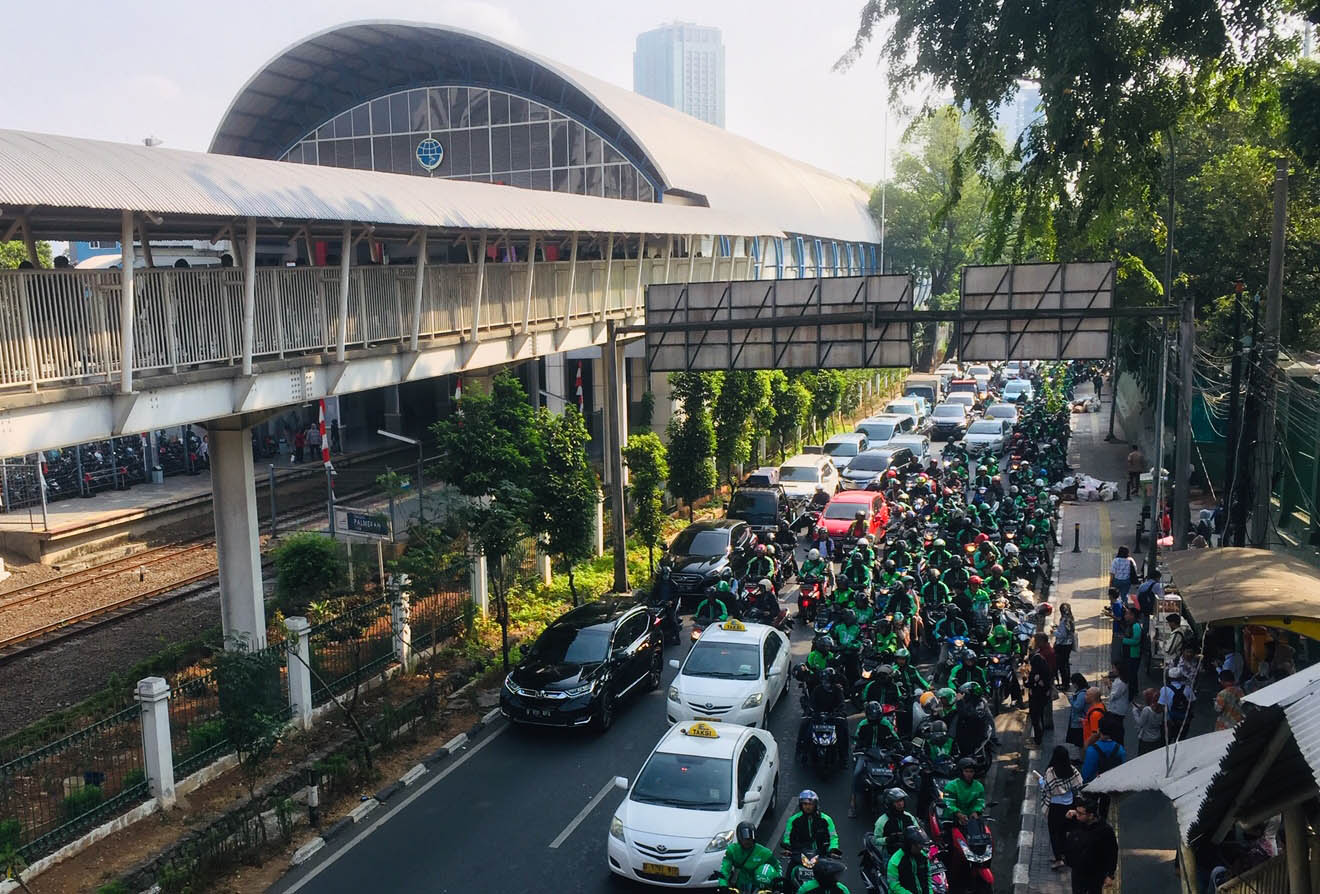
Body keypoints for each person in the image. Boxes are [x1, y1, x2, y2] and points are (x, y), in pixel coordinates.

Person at [850, 701, 903, 817]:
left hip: (884, 753)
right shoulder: (863, 724)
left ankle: (899, 800)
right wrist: (857, 747)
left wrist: (898, 746)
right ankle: (853, 803)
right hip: (866, 753)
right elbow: (856, 740)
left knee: (897, 775)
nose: (874, 720)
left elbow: (895, 737)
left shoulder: (886, 724)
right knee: (857, 773)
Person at [1038, 745, 1084, 870]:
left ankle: (1058, 859)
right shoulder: (1072, 770)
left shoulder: (1051, 772)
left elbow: (1046, 787)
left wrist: (1040, 781)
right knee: (1063, 831)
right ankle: (1064, 855)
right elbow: (1079, 783)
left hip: (1055, 807)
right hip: (1069, 805)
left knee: (1054, 833)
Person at [1064, 796, 1119, 894]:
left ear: (1091, 815)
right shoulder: (1078, 822)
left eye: (1080, 813)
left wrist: (1110, 875)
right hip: (1078, 871)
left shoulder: (1105, 831)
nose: (1077, 815)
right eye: (1077, 811)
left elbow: (1112, 853)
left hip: (1095, 873)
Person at [799, 668, 850, 766]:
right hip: (818, 717)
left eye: (828, 681)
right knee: (806, 729)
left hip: (833, 718)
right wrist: (811, 712)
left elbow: (842, 704)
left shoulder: (837, 690)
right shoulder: (817, 690)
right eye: (824, 681)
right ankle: (803, 753)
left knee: (843, 731)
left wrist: (840, 713)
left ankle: (844, 757)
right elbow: (811, 703)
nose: (826, 683)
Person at [783, 790, 841, 862]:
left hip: (821, 856)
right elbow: (787, 837)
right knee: (791, 869)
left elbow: (833, 837)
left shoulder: (826, 819)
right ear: (801, 805)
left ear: (815, 805)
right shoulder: (793, 820)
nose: (808, 807)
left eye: (811, 804)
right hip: (799, 856)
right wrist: (787, 848)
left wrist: (833, 849)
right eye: (805, 804)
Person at [718, 821, 775, 890]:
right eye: (745, 839)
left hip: (759, 887)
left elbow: (777, 869)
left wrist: (778, 885)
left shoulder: (765, 853)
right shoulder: (732, 850)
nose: (747, 842)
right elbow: (725, 869)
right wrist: (723, 886)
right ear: (740, 839)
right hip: (740, 886)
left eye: (750, 839)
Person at [885, 827, 933, 894]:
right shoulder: (895, 861)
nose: (920, 847)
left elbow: (928, 876)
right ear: (909, 844)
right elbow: (894, 885)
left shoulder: (923, 856)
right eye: (917, 845)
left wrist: (930, 892)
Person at [1081, 715, 1127, 784]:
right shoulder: (1120, 749)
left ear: (1099, 730)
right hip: (1115, 784)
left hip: (1097, 785)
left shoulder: (1092, 750)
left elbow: (1086, 775)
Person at [941, 757, 985, 825]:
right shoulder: (951, 786)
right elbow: (949, 803)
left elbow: (980, 802)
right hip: (951, 820)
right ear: (961, 772)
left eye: (971, 771)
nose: (969, 774)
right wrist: (959, 814)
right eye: (966, 771)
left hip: (970, 820)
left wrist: (976, 812)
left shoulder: (979, 786)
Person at [1026, 635, 1053, 745]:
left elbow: (1030, 682)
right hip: (1042, 694)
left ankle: (1038, 740)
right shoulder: (1042, 667)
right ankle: (1038, 737)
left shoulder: (1038, 672)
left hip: (1037, 696)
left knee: (1035, 718)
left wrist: (1027, 680)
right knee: (1039, 716)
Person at [1160, 666, 1194, 743]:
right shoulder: (1188, 688)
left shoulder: (1164, 689)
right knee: (1179, 741)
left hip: (1169, 720)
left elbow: (1162, 706)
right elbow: (1192, 702)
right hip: (1183, 720)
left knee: (1166, 741)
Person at [1133, 688, 1164, 755]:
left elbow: (1140, 723)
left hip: (1146, 740)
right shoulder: (1161, 708)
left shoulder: (1147, 710)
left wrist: (1135, 712)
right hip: (1157, 737)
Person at [1053, 603, 1076, 687]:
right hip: (1068, 644)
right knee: (1066, 664)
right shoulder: (1070, 618)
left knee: (1062, 666)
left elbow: (1063, 635)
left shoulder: (1064, 620)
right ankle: (1066, 683)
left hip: (1063, 645)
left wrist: (1054, 632)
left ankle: (1065, 684)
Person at [1066, 674, 1089, 753]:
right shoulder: (1082, 691)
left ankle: (1083, 758)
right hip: (1080, 721)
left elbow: (1077, 707)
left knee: (1080, 743)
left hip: (1079, 722)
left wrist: (1070, 699)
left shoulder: (1082, 693)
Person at [1120, 608, 1143, 685]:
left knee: (1132, 675)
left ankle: (1133, 690)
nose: (1125, 616)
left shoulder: (1136, 626)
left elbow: (1136, 641)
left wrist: (1123, 640)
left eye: (1127, 614)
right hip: (1129, 654)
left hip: (1133, 655)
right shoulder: (1130, 624)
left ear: (1132, 615)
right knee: (1131, 675)